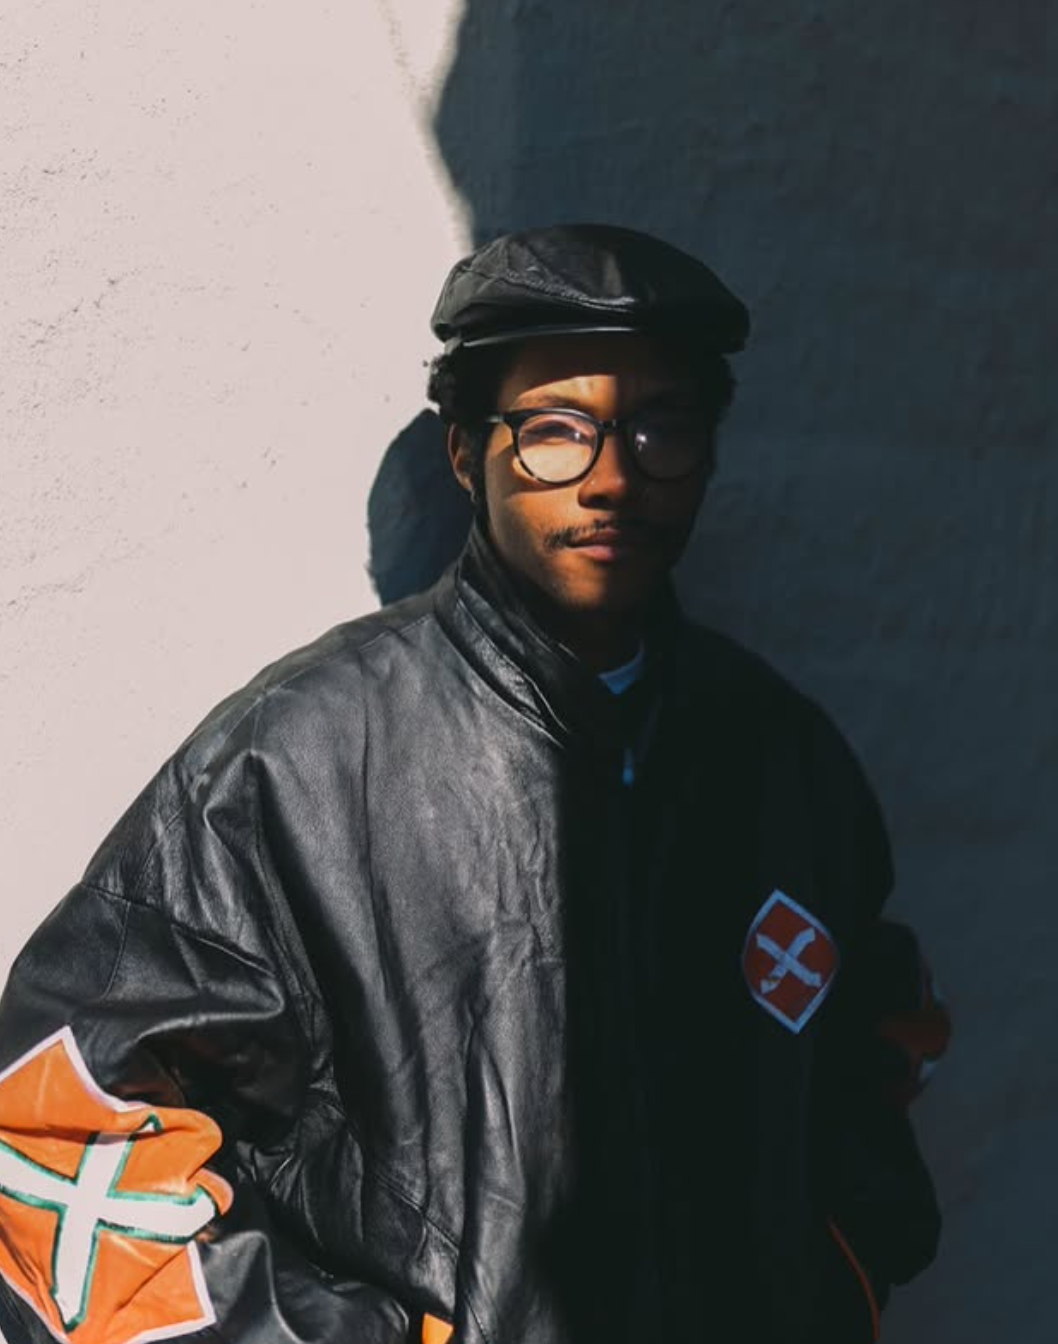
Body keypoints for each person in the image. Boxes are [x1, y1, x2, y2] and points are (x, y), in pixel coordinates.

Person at [0, 224, 948, 1344]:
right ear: (465, 453)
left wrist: (825, 1278)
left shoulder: (783, 757)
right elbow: (59, 1133)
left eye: (661, 427)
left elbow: (871, 1041)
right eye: (554, 431)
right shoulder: (295, 761)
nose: (612, 478)